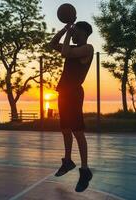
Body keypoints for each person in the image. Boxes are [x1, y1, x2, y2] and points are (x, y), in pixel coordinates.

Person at [49, 21, 94, 192]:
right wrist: (64, 29)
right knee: (65, 129)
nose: (74, 35)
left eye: (76, 32)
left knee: (77, 132)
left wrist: (69, 34)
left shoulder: (87, 48)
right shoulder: (72, 49)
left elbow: (65, 52)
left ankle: (85, 170)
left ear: (84, 34)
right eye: (73, 32)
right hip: (64, 93)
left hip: (74, 93)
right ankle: (68, 161)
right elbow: (52, 44)